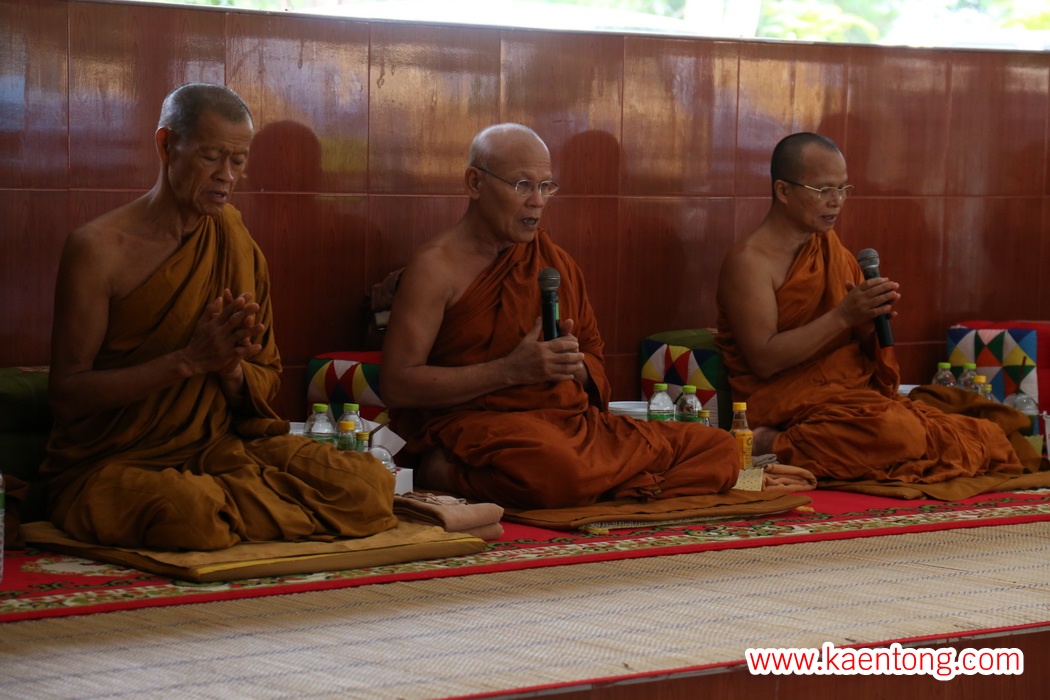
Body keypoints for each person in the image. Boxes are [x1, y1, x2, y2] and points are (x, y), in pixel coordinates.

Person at [42, 83, 397, 550]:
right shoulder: (98, 249)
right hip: (115, 460)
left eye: (238, 160)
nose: (226, 176)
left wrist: (229, 368)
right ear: (166, 145)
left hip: (219, 448)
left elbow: (266, 376)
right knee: (189, 515)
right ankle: (241, 510)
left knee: (367, 483)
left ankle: (229, 510)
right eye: (210, 157)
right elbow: (67, 396)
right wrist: (186, 361)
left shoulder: (234, 236)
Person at [380, 123, 743, 511]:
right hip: (485, 426)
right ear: (475, 182)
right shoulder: (436, 267)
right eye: (522, 185)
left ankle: (602, 483)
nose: (537, 201)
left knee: (720, 449)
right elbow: (398, 385)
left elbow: (593, 358)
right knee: (557, 471)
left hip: (570, 425)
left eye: (546, 186)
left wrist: (575, 365)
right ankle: (446, 470)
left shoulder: (555, 263)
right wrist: (510, 371)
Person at [715, 132, 1037, 495]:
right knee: (898, 435)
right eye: (823, 190)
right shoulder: (749, 262)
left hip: (844, 399)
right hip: (783, 403)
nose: (836, 201)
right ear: (783, 190)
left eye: (843, 188)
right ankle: (771, 443)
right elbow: (763, 359)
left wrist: (866, 327)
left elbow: (850, 349)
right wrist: (843, 317)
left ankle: (801, 443)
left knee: (987, 435)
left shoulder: (832, 250)